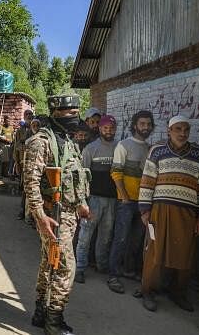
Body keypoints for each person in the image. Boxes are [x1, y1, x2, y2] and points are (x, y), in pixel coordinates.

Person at [25, 94, 90, 334]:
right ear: (56, 113)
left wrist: (81, 203)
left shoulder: (67, 140)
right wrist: (40, 217)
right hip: (53, 216)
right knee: (65, 268)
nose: (75, 117)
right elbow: (30, 184)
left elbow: (75, 175)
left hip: (69, 214)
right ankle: (54, 322)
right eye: (70, 113)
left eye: (77, 112)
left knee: (48, 264)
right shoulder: (40, 142)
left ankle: (41, 313)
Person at [138, 115, 199, 312]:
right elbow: (147, 181)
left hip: (188, 214)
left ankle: (178, 293)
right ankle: (148, 291)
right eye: (178, 129)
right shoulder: (157, 151)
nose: (182, 133)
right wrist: (145, 210)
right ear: (169, 131)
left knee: (185, 255)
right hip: (160, 211)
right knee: (154, 253)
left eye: (186, 130)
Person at [107, 110, 154, 294]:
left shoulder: (149, 148)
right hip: (126, 202)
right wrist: (124, 196)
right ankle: (112, 275)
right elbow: (116, 173)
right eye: (142, 124)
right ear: (135, 125)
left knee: (135, 240)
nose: (146, 127)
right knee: (120, 238)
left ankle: (128, 270)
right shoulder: (123, 145)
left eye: (149, 124)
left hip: (143, 204)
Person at [75, 115, 118, 284]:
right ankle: (80, 268)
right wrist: (83, 201)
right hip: (93, 199)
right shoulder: (90, 149)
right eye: (105, 128)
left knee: (106, 236)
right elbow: (82, 177)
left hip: (112, 200)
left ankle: (101, 265)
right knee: (85, 236)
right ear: (100, 129)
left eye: (111, 128)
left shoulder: (119, 147)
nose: (108, 131)